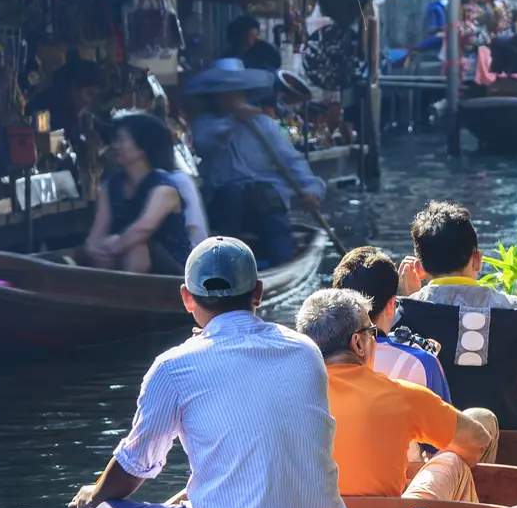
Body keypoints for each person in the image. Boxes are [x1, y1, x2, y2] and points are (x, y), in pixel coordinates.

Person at [69, 237, 346, 508]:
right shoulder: (306, 351)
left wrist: (96, 496)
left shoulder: (173, 366)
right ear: (257, 293)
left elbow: (136, 465)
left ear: (187, 298)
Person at [298, 288, 497, 502]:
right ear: (358, 343)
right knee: (456, 461)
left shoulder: (286, 398)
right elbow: (477, 440)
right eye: (373, 332)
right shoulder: (401, 395)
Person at [397, 201, 517, 430]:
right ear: (477, 259)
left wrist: (412, 299)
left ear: (419, 269)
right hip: (513, 446)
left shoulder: (402, 317)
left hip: (434, 452)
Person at [188, 62, 325, 264]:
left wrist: (312, 189)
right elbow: (203, 144)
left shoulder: (264, 125)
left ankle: (275, 263)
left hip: (265, 202)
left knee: (278, 241)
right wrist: (232, 120)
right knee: (231, 194)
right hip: (225, 205)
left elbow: (292, 162)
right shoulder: (206, 125)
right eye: (224, 94)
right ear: (215, 98)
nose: (231, 98)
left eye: (235, 92)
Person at [331, 246, 448, 397]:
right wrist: (411, 298)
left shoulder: (319, 361)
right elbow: (444, 419)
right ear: (391, 304)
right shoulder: (422, 363)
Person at [84, 111, 189, 274]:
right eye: (114, 140)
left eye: (121, 140)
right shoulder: (110, 186)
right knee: (109, 249)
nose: (114, 146)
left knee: (135, 248)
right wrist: (95, 249)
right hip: (122, 258)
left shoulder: (164, 187)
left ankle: (128, 298)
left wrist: (113, 246)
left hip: (173, 274)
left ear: (142, 147)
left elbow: (143, 228)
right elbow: (96, 234)